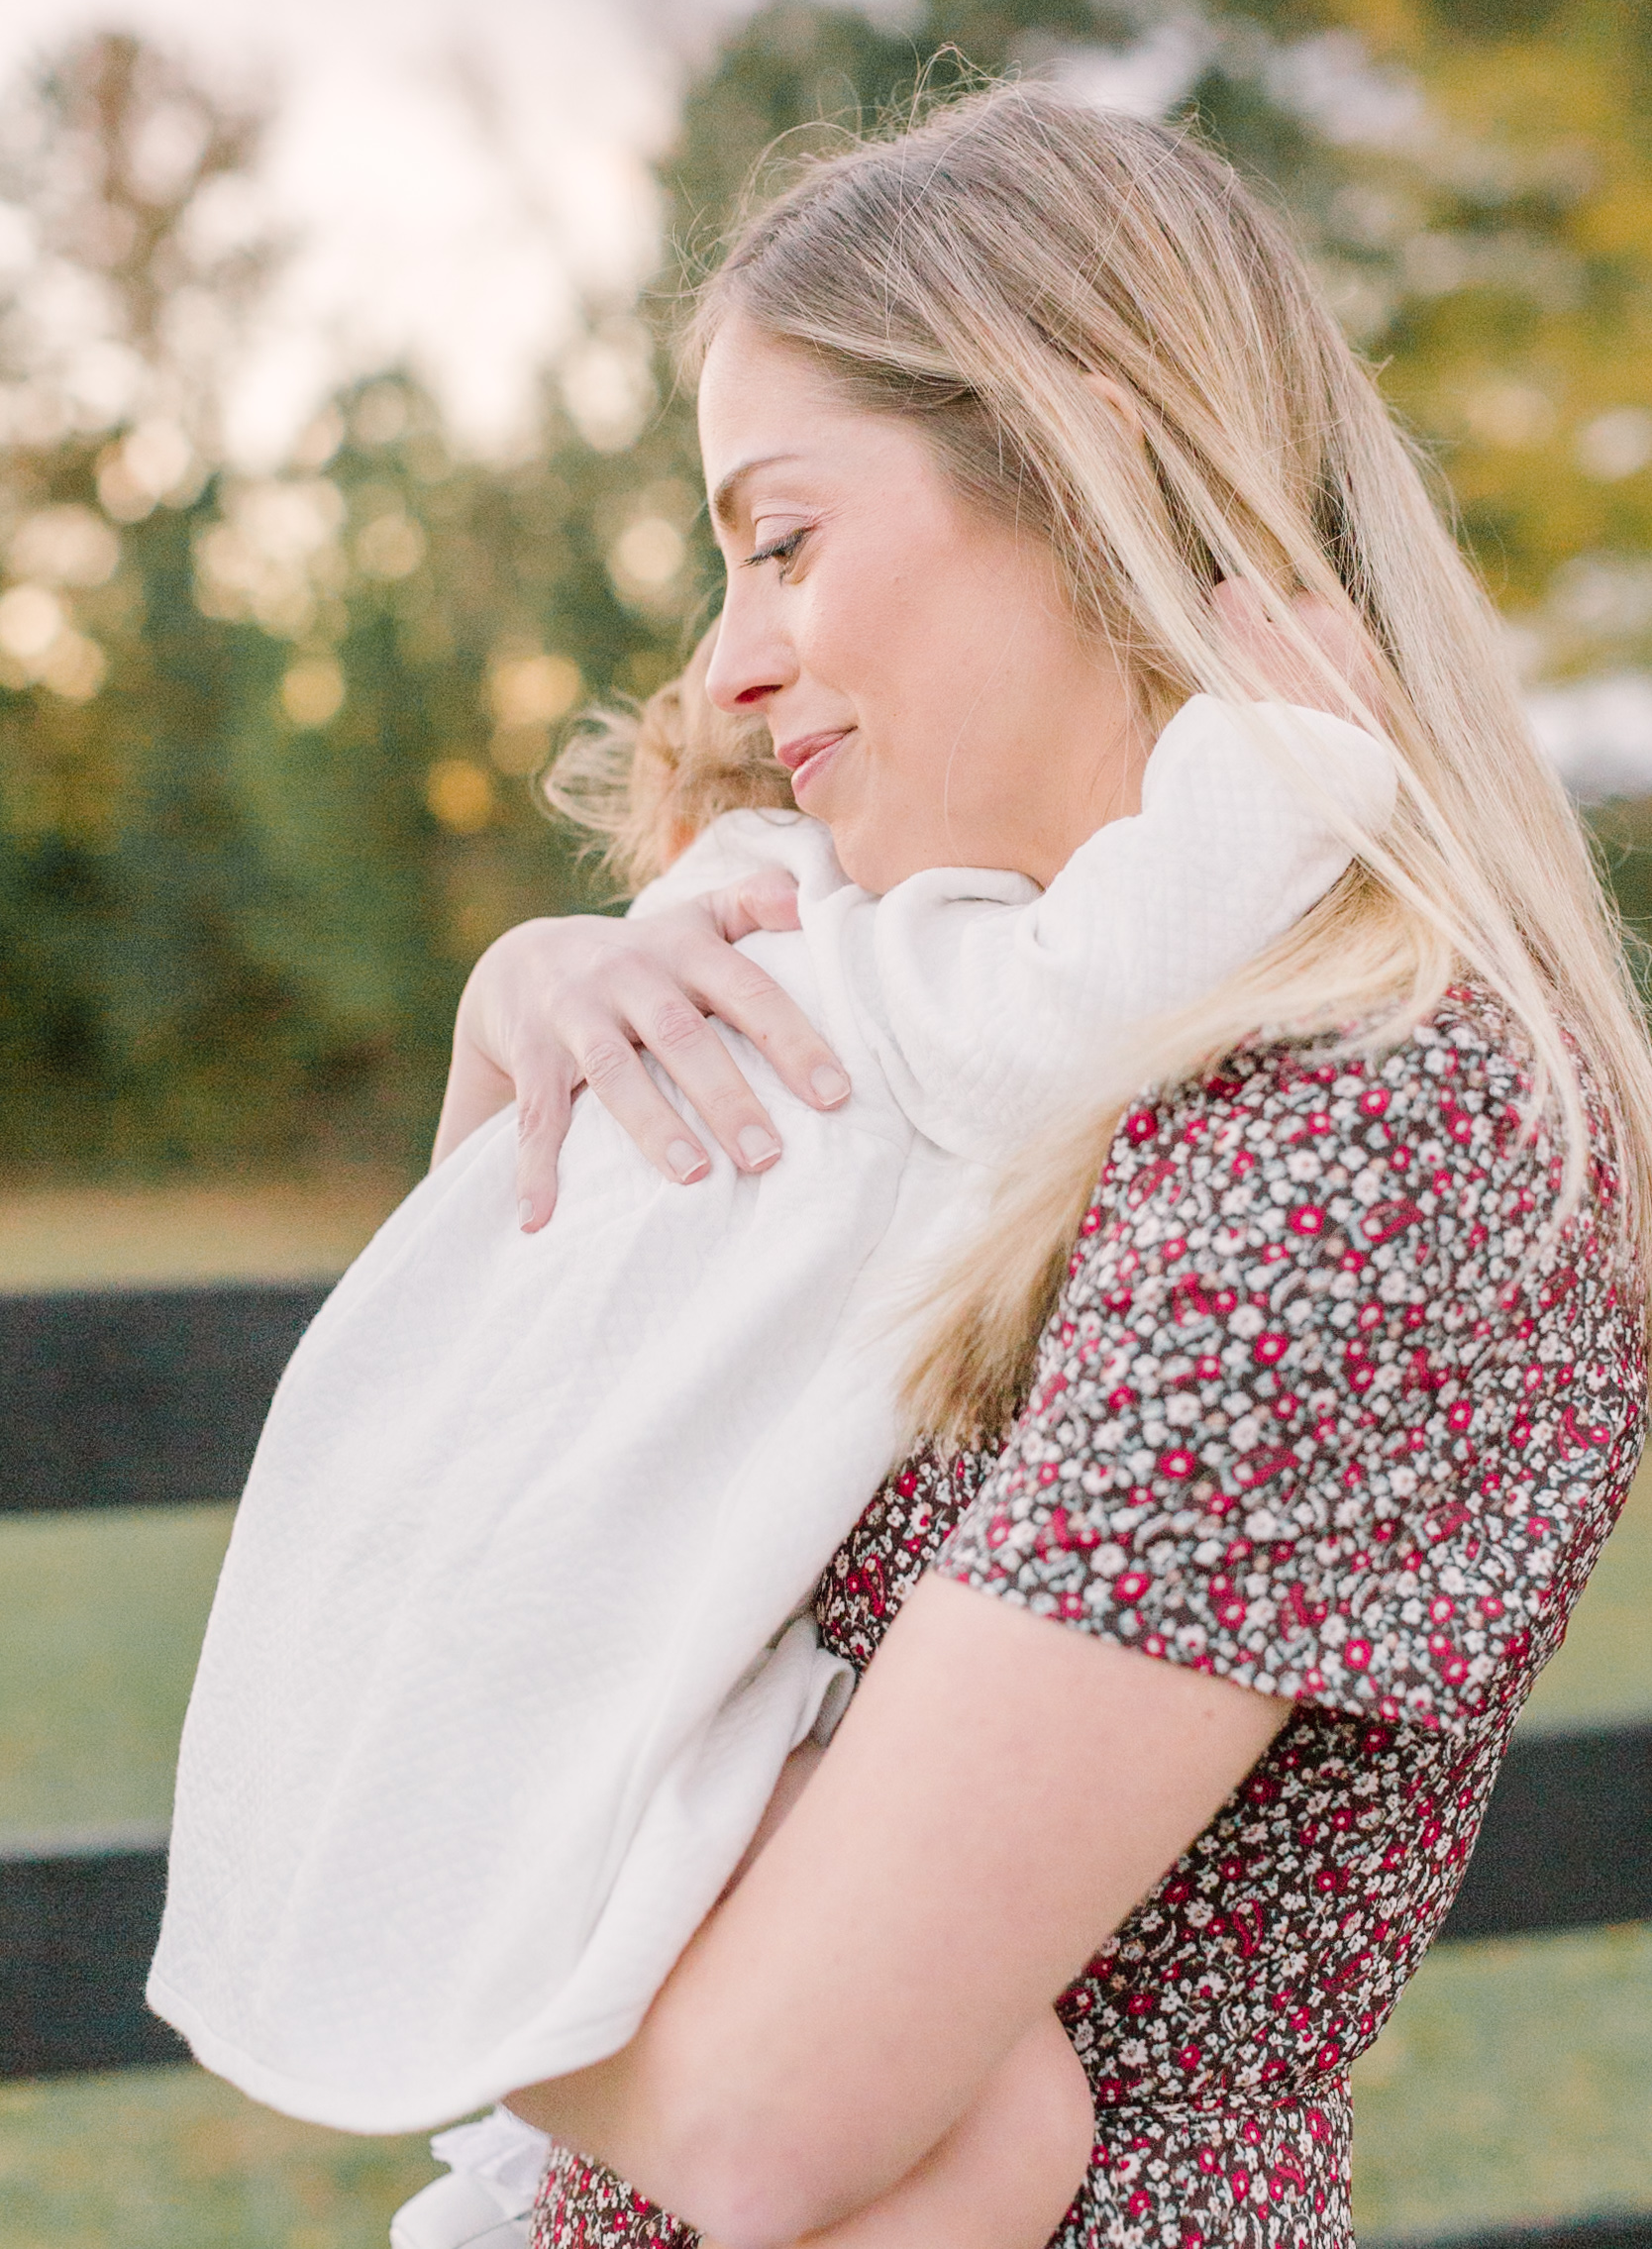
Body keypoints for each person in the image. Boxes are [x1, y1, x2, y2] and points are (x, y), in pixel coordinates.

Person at [416, 82, 1650, 2249]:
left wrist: (384, 1857)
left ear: (1092, 470)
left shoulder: (1361, 1147)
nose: (727, 664)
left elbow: (772, 2124)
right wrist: (517, 1074)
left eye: (781, 540)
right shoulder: (981, 1055)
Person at [149, 572, 1394, 2147]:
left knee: (820, 2103)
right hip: (558, 1603)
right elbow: (1066, 1018)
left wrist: (507, 987)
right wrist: (1282, 759)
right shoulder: (814, 931)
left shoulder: (727, 947)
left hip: (469, 1578)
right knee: (993, 2145)